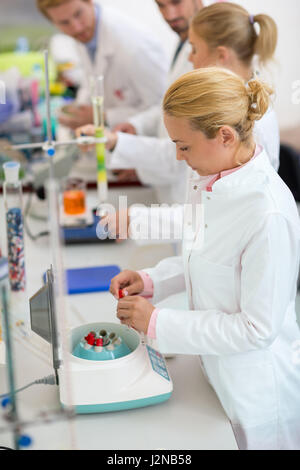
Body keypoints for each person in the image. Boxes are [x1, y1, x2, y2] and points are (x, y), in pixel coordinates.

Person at [110, 67, 300, 451]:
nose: (180, 158)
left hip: (257, 398)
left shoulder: (267, 214)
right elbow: (205, 256)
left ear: (225, 136)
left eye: (184, 146)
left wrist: (158, 322)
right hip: (216, 374)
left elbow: (255, 330)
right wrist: (151, 281)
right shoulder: (215, 181)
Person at [76, 2, 279, 241]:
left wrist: (137, 220)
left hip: (208, 235)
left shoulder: (249, 120)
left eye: (194, 49)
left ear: (221, 55)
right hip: (194, 231)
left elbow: (223, 217)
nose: (190, 58)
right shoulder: (223, 99)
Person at [36, 0, 168, 129]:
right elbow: (91, 82)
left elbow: (164, 108)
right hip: (112, 139)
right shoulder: (85, 35)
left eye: (78, 14)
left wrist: (103, 116)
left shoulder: (133, 45)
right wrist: (79, 110)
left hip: (145, 143)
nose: (76, 27)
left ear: (89, 2)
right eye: (64, 22)